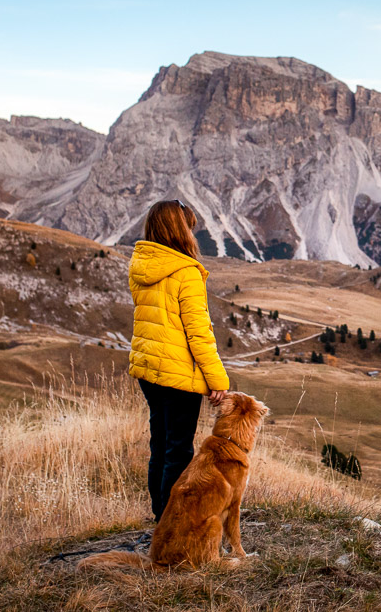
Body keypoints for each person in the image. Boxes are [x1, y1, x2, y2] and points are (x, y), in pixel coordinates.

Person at [128, 199, 230, 522]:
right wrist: (218, 381)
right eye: (189, 226)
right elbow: (198, 333)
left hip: (150, 372)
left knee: (160, 445)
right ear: (178, 230)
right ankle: (172, 527)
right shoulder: (186, 272)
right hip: (176, 374)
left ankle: (161, 520)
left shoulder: (142, 266)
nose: (192, 232)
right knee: (179, 452)